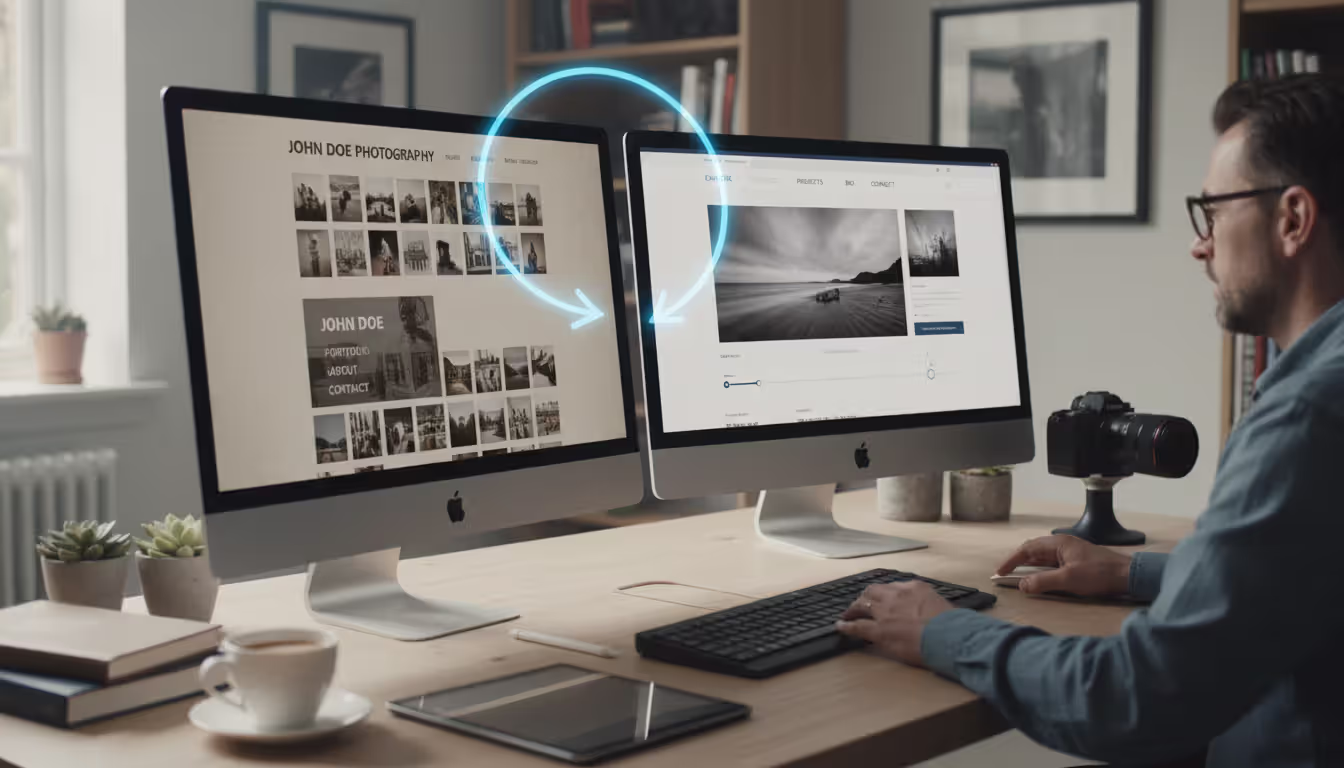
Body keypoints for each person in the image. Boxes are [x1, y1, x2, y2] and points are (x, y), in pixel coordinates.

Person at [837, 74, 1344, 767]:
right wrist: (1134, 575)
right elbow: (1301, 572)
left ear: (1293, 219)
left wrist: (940, 631)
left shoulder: (1308, 418)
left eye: (1213, 213)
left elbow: (1136, 699)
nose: (1200, 247)